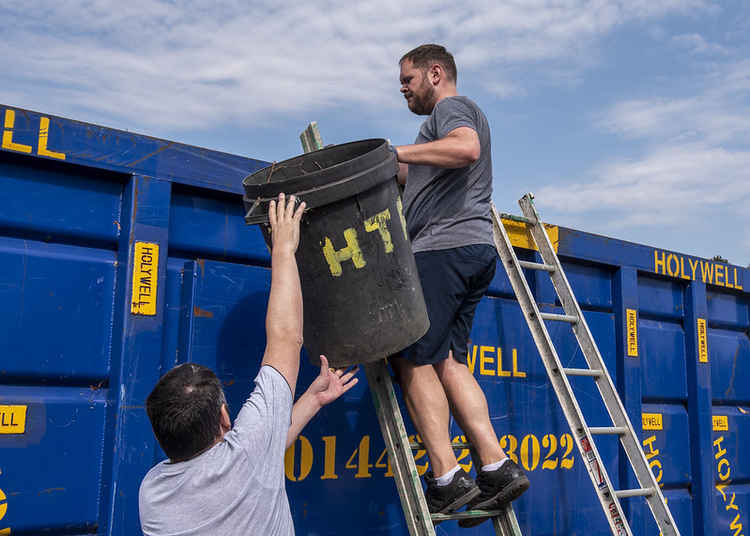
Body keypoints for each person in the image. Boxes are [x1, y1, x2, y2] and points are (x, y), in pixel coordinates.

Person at [138, 193, 359, 536]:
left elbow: (262, 449)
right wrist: (284, 249)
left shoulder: (152, 494)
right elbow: (286, 338)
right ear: (225, 418)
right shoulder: (248, 456)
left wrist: (312, 400)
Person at [390, 44, 530, 527]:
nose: (402, 88)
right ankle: (495, 467)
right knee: (448, 359)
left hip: (443, 249)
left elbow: (465, 147)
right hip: (474, 249)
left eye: (408, 79)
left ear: (435, 73)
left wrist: (395, 152)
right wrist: (393, 168)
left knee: (411, 356)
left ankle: (447, 479)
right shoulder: (437, 129)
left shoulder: (453, 108)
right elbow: (416, 173)